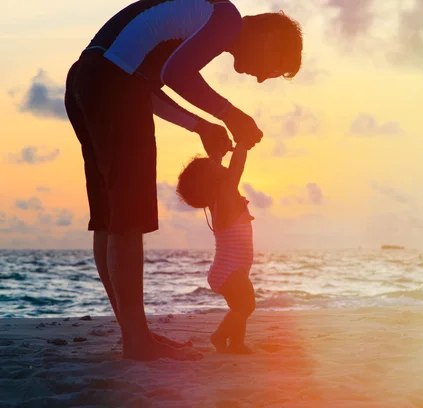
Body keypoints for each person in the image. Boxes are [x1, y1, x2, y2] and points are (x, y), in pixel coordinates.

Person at [63, 0, 303, 361]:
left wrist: (201, 125)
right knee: (126, 218)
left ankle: (134, 334)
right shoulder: (226, 17)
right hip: (111, 84)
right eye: (274, 67)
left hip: (88, 78)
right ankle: (137, 341)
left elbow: (148, 82)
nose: (260, 78)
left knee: (111, 217)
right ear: (269, 36)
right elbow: (174, 75)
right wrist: (231, 115)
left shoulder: (202, 26)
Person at [176, 142, 255, 354]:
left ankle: (236, 344)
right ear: (214, 181)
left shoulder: (218, 199)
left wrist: (217, 155)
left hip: (227, 270)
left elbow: (216, 172)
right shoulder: (227, 196)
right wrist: (242, 143)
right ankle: (219, 336)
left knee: (239, 307)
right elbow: (236, 168)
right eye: (216, 168)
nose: (221, 168)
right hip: (230, 271)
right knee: (246, 306)